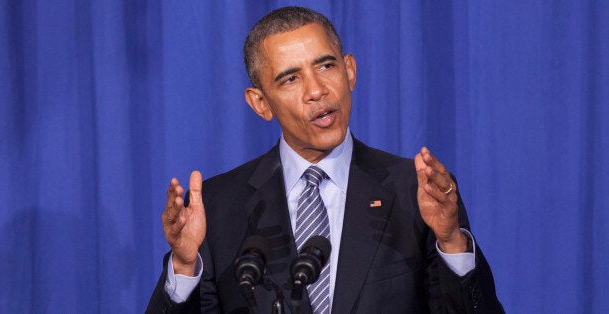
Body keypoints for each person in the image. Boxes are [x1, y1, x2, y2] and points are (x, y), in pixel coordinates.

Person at [147, 6, 503, 314]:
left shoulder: (415, 191)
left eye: (326, 66)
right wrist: (183, 266)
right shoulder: (217, 207)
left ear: (349, 71)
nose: (316, 90)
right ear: (260, 103)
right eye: (290, 78)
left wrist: (451, 242)